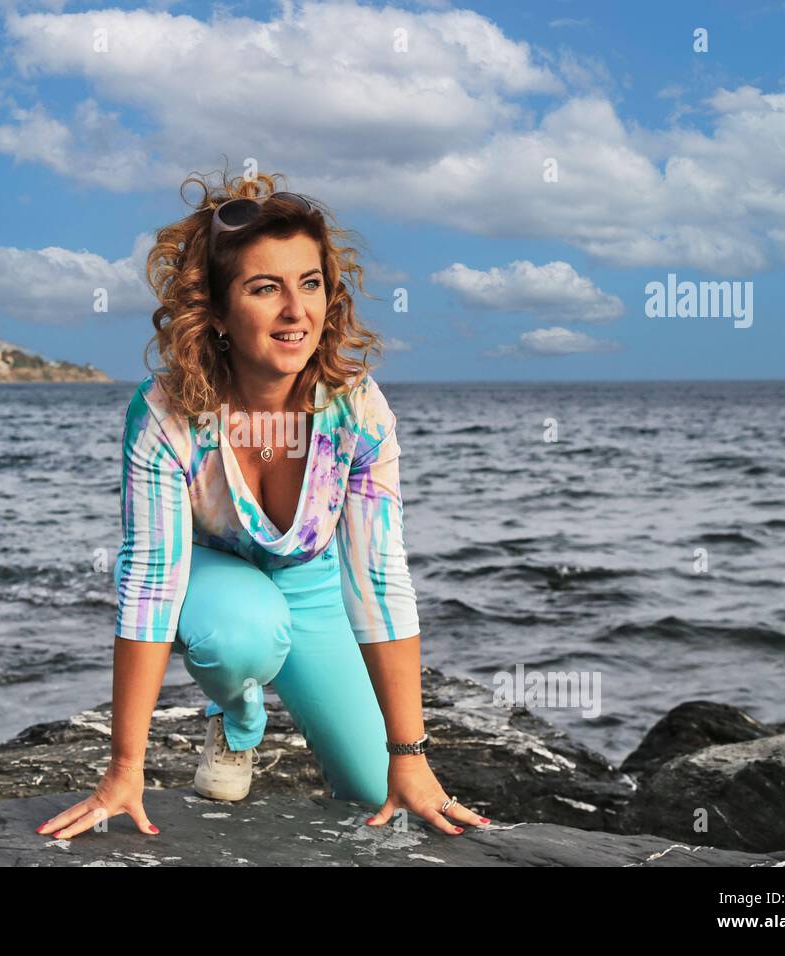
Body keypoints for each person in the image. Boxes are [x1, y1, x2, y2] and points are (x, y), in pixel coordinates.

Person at [36, 169, 490, 841]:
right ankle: (239, 716)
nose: (295, 311)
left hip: (310, 589)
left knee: (380, 796)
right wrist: (124, 769)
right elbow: (152, 583)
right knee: (245, 632)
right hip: (212, 584)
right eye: (264, 288)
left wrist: (410, 756)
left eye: (310, 284)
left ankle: (329, 741)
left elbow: (380, 580)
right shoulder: (165, 415)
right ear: (215, 311)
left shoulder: (358, 413)